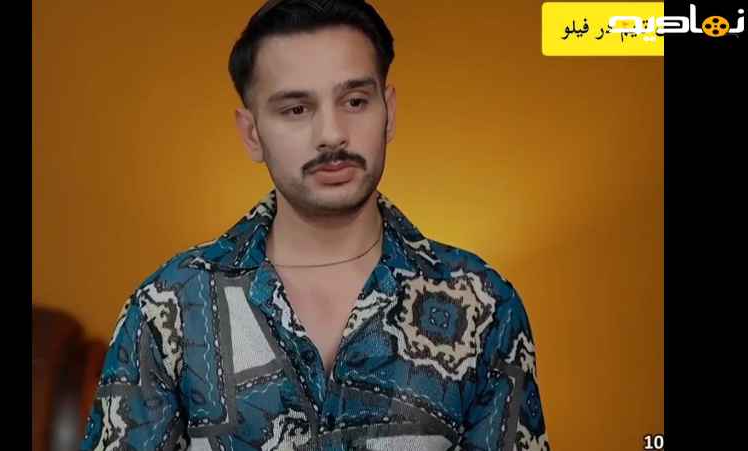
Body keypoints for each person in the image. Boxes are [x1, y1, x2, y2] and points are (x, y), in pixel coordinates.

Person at [80, 1, 549, 450]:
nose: (331, 134)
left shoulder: (483, 305)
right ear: (252, 133)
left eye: (355, 101)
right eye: (296, 109)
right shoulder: (170, 307)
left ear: (388, 112)